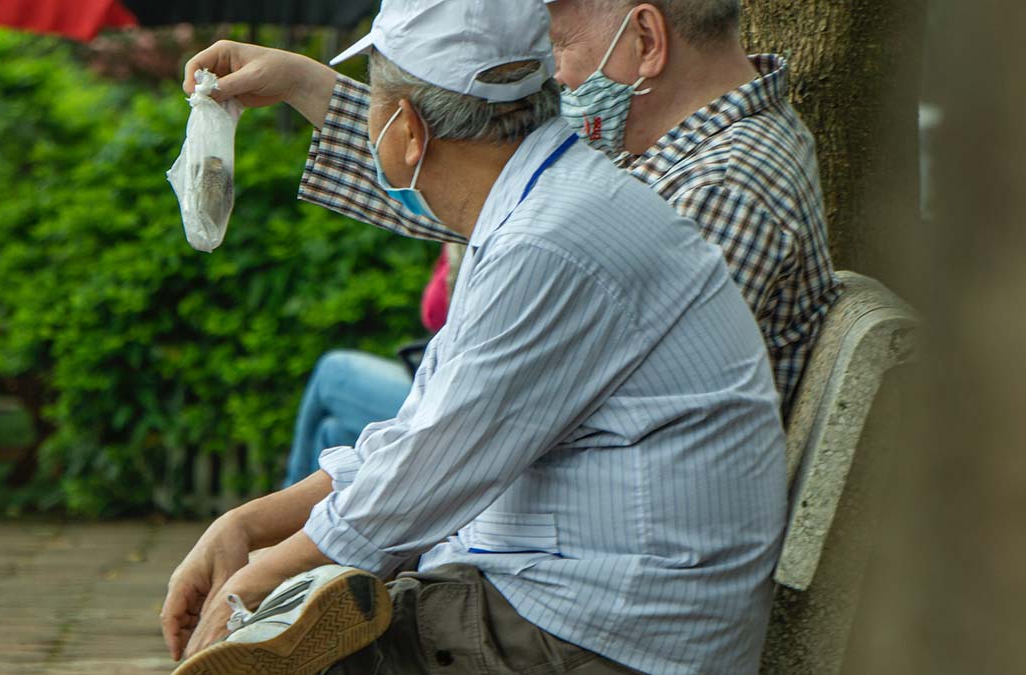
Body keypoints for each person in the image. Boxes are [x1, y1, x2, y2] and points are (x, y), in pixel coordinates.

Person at [162, 1, 787, 673]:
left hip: (599, 631)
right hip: (582, 605)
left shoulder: (551, 240)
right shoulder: (540, 206)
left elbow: (421, 478)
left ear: (405, 131)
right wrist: (247, 527)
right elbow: (415, 436)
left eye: (372, 101)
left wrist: (250, 583)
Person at [298, 0, 839, 419]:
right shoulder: (688, 153)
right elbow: (486, 193)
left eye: (561, 43)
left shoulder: (721, 190)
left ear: (646, 39)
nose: (556, 76)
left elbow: (543, 401)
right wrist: (306, 88)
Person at [282, 246, 454, 489]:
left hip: (449, 396)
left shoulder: (486, 237)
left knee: (332, 370)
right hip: (437, 380)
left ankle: (284, 507)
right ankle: (306, 520)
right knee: (332, 433)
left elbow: (436, 310)